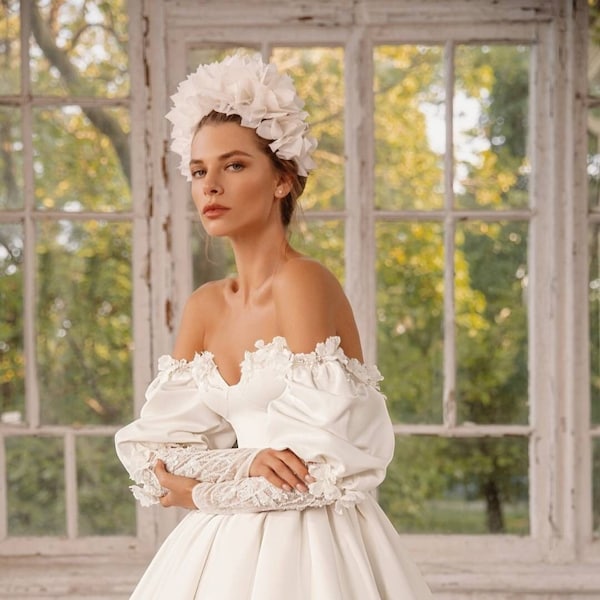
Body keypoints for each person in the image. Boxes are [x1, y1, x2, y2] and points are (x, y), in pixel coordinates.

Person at [115, 52, 433, 600]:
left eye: (234, 165)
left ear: (282, 180)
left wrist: (199, 491)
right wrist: (244, 464)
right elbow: (153, 462)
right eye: (198, 171)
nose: (209, 185)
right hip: (215, 555)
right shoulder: (205, 307)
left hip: (314, 551)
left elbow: (320, 474)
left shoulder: (304, 283)